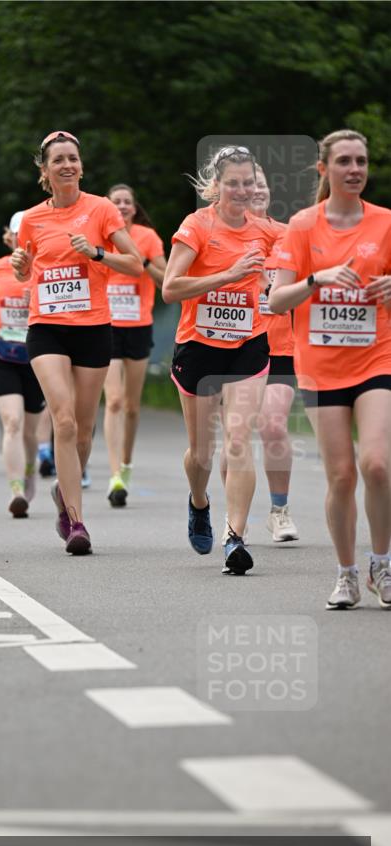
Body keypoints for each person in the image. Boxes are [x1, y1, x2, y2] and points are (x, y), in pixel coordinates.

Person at [270, 129, 391, 608]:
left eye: (361, 161)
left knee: (377, 465)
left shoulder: (385, 223)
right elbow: (276, 299)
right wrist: (315, 280)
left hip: (376, 357)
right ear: (325, 170)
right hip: (321, 366)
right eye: (344, 161)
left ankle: (382, 563)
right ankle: (346, 573)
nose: (355, 169)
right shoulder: (302, 226)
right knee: (341, 475)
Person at [11, 130, 143, 554]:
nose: (67, 165)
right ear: (45, 171)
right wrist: (20, 265)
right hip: (47, 326)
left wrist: (97, 254)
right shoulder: (31, 219)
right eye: (58, 160)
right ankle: (77, 522)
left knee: (83, 431)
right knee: (63, 420)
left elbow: (135, 264)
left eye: (73, 158)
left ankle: (63, 495)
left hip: (93, 328)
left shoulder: (102, 209)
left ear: (81, 166)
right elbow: (25, 273)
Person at [163, 145, 276, 575]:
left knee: (238, 441)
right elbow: (170, 289)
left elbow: (304, 256)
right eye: (234, 183)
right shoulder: (196, 226)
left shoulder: (266, 231)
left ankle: (235, 537)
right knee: (202, 453)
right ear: (216, 185)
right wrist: (228, 276)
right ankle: (199, 501)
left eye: (249, 182)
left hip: (248, 344)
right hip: (199, 347)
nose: (243, 190)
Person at [219, 167, 299, 543]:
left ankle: (279, 510)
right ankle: (235, 518)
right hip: (234, 347)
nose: (254, 192)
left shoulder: (288, 235)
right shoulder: (222, 232)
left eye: (260, 186)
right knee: (234, 436)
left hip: (280, 345)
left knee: (273, 425)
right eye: (247, 186)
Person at [103, 184, 166, 506]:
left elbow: (166, 280)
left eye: (128, 201)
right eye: (117, 202)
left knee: (131, 405)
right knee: (113, 401)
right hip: (106, 326)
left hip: (139, 326)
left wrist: (141, 260)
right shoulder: (100, 235)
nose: (123, 206)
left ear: (134, 207)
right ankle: (115, 474)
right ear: (108, 207)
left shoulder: (147, 237)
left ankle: (126, 464)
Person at [0, 211, 44, 517]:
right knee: (13, 422)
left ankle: (29, 472)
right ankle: (16, 488)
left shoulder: (46, 267)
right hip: (0, 352)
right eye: (18, 234)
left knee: (31, 432)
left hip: (36, 355)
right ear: (12, 238)